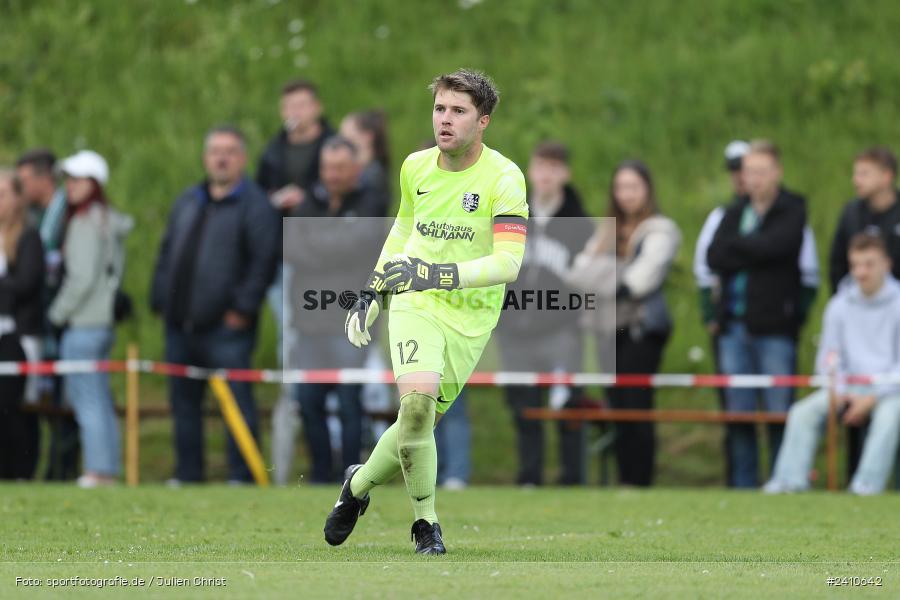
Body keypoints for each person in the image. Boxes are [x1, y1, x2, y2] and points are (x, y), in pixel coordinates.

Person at [322, 69, 528, 554]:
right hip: (416, 301)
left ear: (484, 121)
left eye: (459, 111)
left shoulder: (504, 177)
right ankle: (425, 524)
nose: (446, 120)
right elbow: (402, 233)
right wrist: (373, 290)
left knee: (418, 427)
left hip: (472, 315)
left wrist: (437, 275)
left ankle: (355, 486)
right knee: (415, 405)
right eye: (440, 108)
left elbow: (509, 263)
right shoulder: (415, 167)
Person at [151, 126, 279, 484]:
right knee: (183, 405)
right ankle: (187, 475)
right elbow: (166, 253)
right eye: (214, 151)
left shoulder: (256, 206)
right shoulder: (189, 200)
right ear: (206, 158)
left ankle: (243, 474)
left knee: (236, 403)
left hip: (228, 328)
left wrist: (242, 308)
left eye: (229, 151)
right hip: (180, 324)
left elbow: (263, 262)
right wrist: (161, 299)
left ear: (242, 158)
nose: (221, 158)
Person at [694, 140, 819, 485]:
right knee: (739, 414)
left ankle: (784, 480)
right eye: (749, 172)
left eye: (762, 171)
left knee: (780, 413)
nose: (754, 179)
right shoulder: (732, 213)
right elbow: (713, 257)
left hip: (776, 328)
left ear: (777, 172)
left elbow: (783, 246)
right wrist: (759, 250)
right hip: (734, 328)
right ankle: (743, 486)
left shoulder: (794, 209)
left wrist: (742, 248)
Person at [571, 160, 681, 487]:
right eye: (621, 187)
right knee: (615, 404)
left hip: (641, 329)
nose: (626, 194)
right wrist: (608, 277)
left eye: (633, 187)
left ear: (646, 189)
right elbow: (577, 273)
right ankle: (624, 480)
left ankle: (640, 480)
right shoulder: (607, 232)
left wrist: (603, 276)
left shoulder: (661, 230)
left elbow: (639, 281)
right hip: (607, 329)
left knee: (636, 404)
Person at [765, 233, 900, 495]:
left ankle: (866, 485)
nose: (861, 272)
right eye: (855, 265)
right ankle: (788, 481)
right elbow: (829, 359)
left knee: (890, 415)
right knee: (802, 412)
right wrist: (841, 392)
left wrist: (872, 398)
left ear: (887, 263)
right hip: (845, 389)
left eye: (869, 264)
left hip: (890, 391)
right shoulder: (839, 305)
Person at [284, 136, 385, 483]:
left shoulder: (372, 201)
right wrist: (336, 243)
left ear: (356, 169)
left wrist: (321, 244)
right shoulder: (309, 201)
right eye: (327, 167)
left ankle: (352, 474)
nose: (333, 175)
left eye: (341, 168)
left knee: (348, 402)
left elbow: (359, 245)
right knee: (309, 401)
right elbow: (293, 248)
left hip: (351, 321)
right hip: (309, 322)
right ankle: (321, 473)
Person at [497, 141, 595, 486]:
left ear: (565, 174)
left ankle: (572, 477)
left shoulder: (581, 224)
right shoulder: (512, 214)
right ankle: (529, 477)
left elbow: (588, 280)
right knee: (523, 409)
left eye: (555, 167)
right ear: (530, 170)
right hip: (514, 329)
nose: (546, 174)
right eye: (541, 166)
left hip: (561, 330)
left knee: (568, 406)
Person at [257, 80, 334, 484]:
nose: (295, 112)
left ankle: (337, 450)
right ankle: (294, 410)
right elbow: (258, 195)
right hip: (283, 260)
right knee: (288, 344)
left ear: (316, 107)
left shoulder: (334, 146)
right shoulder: (273, 150)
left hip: (322, 265)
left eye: (302, 104)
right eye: (289, 104)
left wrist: (302, 200)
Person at [49, 150, 132, 488]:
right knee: (98, 398)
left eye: (78, 179)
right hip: (101, 322)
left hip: (83, 323)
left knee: (88, 401)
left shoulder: (85, 222)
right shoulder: (105, 218)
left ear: (94, 184)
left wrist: (55, 314)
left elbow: (80, 279)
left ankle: (99, 471)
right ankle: (105, 468)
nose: (69, 186)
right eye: (68, 179)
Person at [826, 147, 899, 481]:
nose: (856, 180)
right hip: (861, 321)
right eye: (855, 173)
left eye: (864, 173)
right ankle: (856, 483)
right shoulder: (851, 213)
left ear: (887, 177)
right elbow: (836, 263)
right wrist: (850, 303)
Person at [16, 148, 76, 480]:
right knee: (47, 399)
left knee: (67, 401)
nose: (20, 188)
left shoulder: (67, 212)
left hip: (65, 319)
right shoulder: (38, 216)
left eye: (24, 180)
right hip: (46, 318)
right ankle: (52, 468)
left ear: (44, 178)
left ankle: (64, 468)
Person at [0, 169, 44, 479]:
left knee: (10, 405)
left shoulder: (28, 237)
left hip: (17, 336)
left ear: (18, 199)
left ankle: (19, 472)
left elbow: (27, 284)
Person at [339, 109, 391, 209]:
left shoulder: (373, 175)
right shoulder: (371, 169)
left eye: (345, 138)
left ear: (367, 136)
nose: (340, 142)